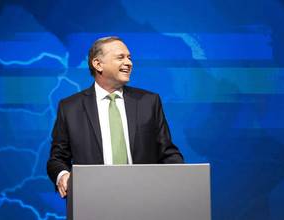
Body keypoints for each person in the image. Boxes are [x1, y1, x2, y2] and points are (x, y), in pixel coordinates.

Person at [46, 36, 184, 198]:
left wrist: (180, 182)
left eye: (129, 58)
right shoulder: (70, 108)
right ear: (98, 64)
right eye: (120, 57)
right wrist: (63, 175)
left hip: (145, 198)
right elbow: (57, 158)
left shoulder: (149, 102)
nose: (129, 63)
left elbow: (168, 153)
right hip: (93, 200)